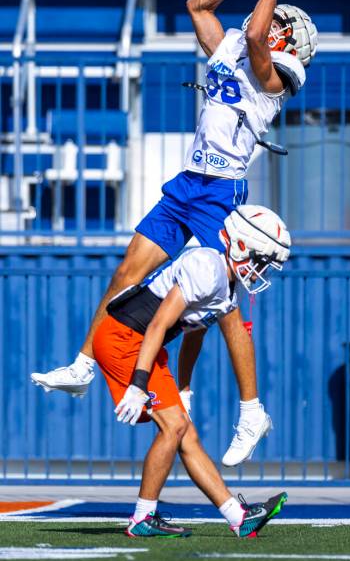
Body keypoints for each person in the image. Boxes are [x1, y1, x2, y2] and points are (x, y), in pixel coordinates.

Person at [31, 0, 317, 466]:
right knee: (126, 271)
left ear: (288, 41)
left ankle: (251, 410)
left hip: (221, 190)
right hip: (188, 182)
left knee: (225, 304)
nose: (273, 23)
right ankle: (84, 364)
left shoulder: (275, 77)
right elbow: (198, 6)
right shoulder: (235, 45)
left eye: (280, 22)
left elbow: (256, 34)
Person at [92, 205, 290, 537]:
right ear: (241, 246)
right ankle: (143, 517)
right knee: (173, 427)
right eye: (259, 262)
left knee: (185, 431)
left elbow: (192, 337)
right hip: (123, 339)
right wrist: (139, 384)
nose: (259, 272)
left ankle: (238, 517)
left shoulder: (224, 286)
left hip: (142, 345)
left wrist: (184, 390)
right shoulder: (207, 266)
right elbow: (158, 325)